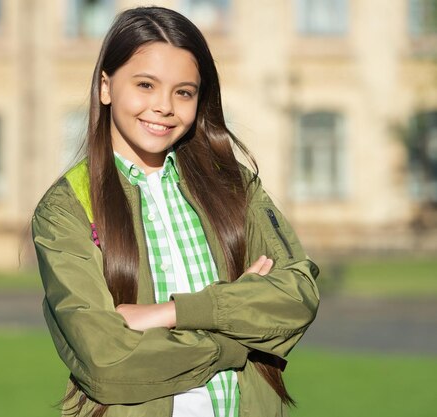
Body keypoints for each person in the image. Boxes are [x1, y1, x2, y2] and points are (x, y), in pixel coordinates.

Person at [32, 6, 320, 417]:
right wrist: (238, 338)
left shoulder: (236, 186)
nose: (164, 106)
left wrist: (167, 314)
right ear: (105, 86)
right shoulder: (66, 209)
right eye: (146, 85)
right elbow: (106, 359)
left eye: (183, 92)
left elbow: (297, 295)